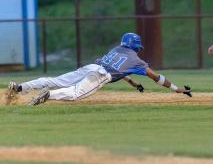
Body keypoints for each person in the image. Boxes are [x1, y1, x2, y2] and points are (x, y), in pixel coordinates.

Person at [7, 33, 192, 106]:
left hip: (92, 67)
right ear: (136, 46)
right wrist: (178, 89)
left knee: (55, 80)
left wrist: (134, 83)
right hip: (101, 75)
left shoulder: (116, 50)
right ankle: (48, 96)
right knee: (75, 94)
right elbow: (156, 77)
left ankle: (20, 87)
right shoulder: (137, 61)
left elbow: (122, 72)